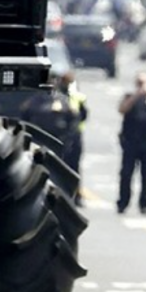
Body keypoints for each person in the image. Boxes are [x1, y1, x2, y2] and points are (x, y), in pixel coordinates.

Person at [117, 72, 146, 215]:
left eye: (144, 83)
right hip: (131, 141)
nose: (141, 86)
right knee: (126, 174)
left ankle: (144, 203)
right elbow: (122, 109)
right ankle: (123, 202)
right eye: (139, 83)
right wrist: (136, 95)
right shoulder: (129, 97)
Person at [60, 72, 88, 205]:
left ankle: (76, 195)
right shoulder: (57, 97)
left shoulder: (77, 97)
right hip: (61, 135)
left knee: (74, 167)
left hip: (74, 136)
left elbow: (83, 115)